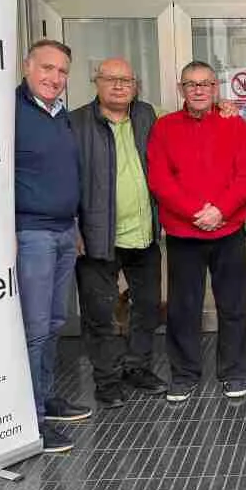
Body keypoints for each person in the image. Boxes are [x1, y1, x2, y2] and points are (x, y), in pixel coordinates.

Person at [147, 60, 246, 401]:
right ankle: (184, 375)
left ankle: (234, 372)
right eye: (191, 84)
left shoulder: (234, 124)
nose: (198, 90)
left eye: (205, 84)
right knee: (183, 308)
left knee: (233, 306)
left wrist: (220, 210)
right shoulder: (164, 127)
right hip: (184, 234)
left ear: (215, 88)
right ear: (181, 89)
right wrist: (196, 213)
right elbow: (160, 179)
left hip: (228, 231)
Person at [69, 58, 166, 411]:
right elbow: (64, 178)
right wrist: (73, 225)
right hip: (97, 236)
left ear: (135, 85)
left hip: (143, 233)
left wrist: (222, 106)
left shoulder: (147, 116)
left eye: (126, 79)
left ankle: (137, 367)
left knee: (147, 307)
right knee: (101, 313)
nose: (119, 85)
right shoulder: (76, 123)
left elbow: (191, 116)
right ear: (96, 82)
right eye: (110, 79)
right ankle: (107, 380)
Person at [14, 39, 88, 455]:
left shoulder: (60, 115)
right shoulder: (10, 112)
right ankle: (31, 420)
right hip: (31, 235)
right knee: (35, 329)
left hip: (62, 232)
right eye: (47, 68)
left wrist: (74, 225)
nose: (54, 78)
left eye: (62, 71)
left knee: (56, 321)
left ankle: (45, 398)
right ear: (27, 66)